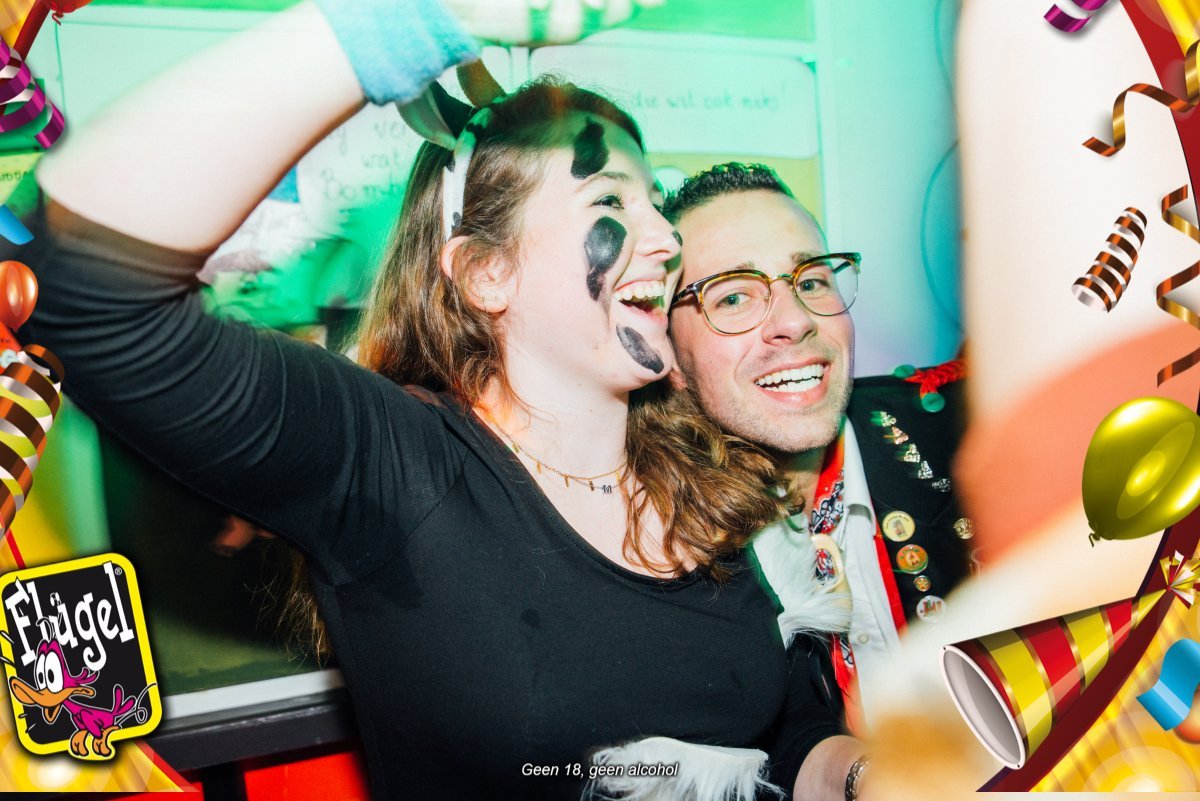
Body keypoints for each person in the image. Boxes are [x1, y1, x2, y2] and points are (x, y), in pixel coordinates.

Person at [20, 3, 867, 799]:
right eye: (612, 200)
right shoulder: (392, 464)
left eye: (656, 198)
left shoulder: (710, 465)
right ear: (486, 273)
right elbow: (76, 289)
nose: (667, 236)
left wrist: (864, 775)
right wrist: (406, 25)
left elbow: (784, 731)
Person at [663, 162, 971, 729]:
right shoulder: (647, 548)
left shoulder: (967, 435)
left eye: (810, 282)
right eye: (733, 298)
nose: (795, 320)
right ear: (666, 356)